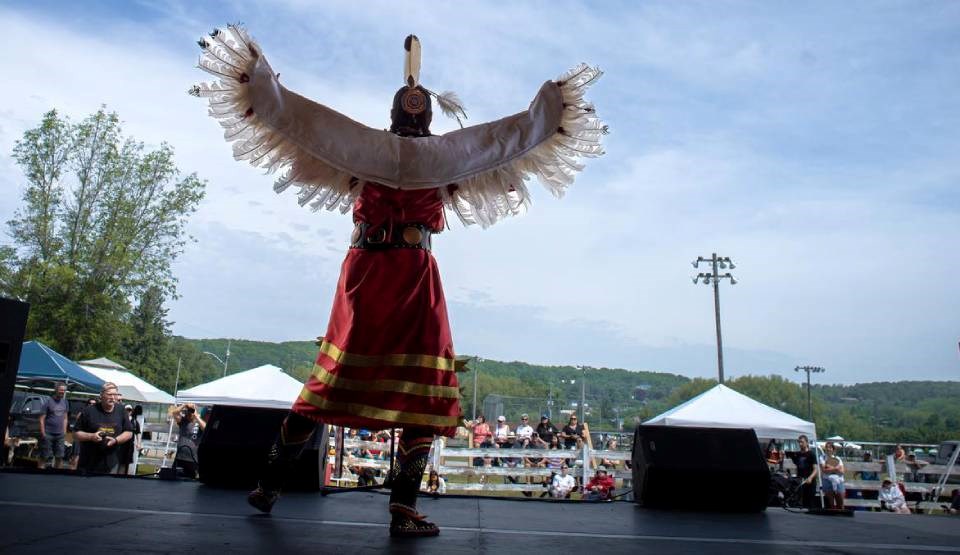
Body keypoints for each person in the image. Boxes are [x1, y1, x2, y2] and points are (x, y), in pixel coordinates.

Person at [192, 26, 605, 538]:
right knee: (421, 389)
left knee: (335, 383)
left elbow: (299, 120)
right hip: (408, 271)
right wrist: (551, 105)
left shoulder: (368, 149)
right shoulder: (444, 155)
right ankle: (398, 506)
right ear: (425, 116)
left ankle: (273, 482)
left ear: (396, 115)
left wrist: (258, 79)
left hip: (368, 271)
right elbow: (510, 137)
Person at [74, 382, 133, 474]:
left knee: (107, 488)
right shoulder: (89, 411)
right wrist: (91, 436)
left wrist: (116, 440)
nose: (113, 397)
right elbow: (76, 434)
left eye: (115, 394)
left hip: (112, 462)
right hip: (88, 462)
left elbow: (129, 432)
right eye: (109, 394)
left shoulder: (121, 410)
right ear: (101, 395)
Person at [38, 382, 69, 469]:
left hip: (60, 435)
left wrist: (64, 431)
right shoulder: (48, 401)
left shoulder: (65, 402)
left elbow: (65, 418)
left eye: (64, 390)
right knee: (44, 456)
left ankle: (57, 477)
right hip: (48, 433)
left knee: (59, 457)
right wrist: (43, 433)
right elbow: (41, 419)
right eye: (61, 390)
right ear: (55, 390)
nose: (62, 392)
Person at [170, 403, 206, 478]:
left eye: (190, 411)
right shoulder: (183, 421)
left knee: (190, 483)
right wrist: (184, 405)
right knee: (174, 480)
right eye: (187, 411)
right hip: (180, 457)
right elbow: (174, 413)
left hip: (192, 459)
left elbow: (205, 428)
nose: (188, 413)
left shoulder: (199, 423)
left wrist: (196, 415)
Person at [786, 435, 818, 508]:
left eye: (802, 442)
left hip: (810, 481)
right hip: (800, 481)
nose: (800, 444)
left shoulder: (811, 454)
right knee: (802, 503)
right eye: (799, 442)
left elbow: (816, 469)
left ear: (807, 443)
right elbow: (797, 464)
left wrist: (810, 478)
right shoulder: (798, 454)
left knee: (810, 503)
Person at [819, 441, 845, 510]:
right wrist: (836, 468)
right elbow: (824, 470)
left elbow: (842, 471)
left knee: (840, 503)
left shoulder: (838, 458)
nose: (828, 449)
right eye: (826, 447)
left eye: (830, 447)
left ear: (833, 449)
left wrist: (829, 467)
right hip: (827, 481)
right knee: (830, 504)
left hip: (839, 481)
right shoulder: (822, 457)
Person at [118, 405, 140, 475]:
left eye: (129, 410)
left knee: (126, 462)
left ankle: (122, 478)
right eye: (126, 410)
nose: (128, 412)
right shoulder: (119, 420)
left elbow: (138, 432)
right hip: (119, 443)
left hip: (129, 445)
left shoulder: (134, 421)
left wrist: (138, 443)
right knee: (117, 461)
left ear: (131, 411)